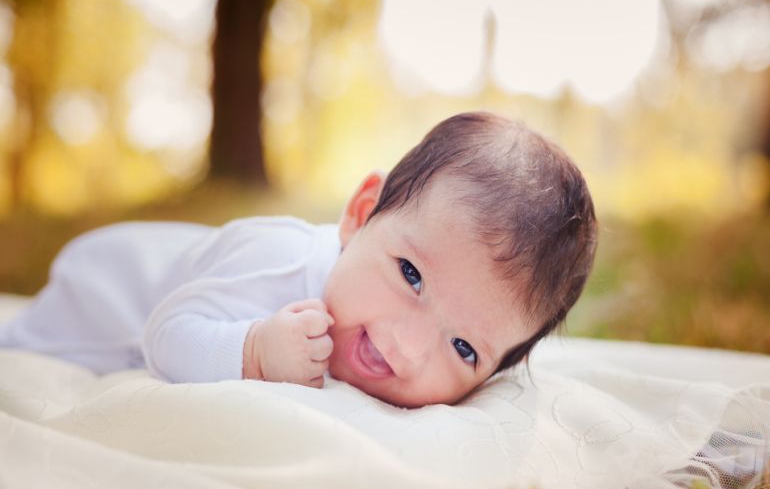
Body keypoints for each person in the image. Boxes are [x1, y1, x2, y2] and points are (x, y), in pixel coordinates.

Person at [0, 112, 597, 408]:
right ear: (361, 214)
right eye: (411, 275)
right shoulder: (279, 261)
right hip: (104, 298)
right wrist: (255, 351)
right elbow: (165, 334)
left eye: (463, 348)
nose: (409, 347)